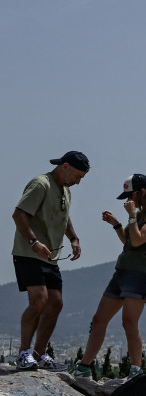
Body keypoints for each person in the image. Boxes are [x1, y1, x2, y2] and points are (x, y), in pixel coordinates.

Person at [76, 173, 146, 379]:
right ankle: (84, 366)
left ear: (142, 192)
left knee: (129, 322)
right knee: (99, 320)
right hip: (122, 271)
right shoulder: (141, 215)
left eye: (130, 195)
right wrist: (117, 224)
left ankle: (135, 370)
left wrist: (132, 215)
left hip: (140, 274)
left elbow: (137, 240)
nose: (128, 201)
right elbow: (129, 241)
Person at [11, 150, 88, 370]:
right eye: (77, 176)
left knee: (56, 303)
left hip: (50, 257)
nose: (78, 182)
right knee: (39, 300)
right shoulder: (41, 184)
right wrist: (34, 242)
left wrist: (73, 238)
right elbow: (19, 214)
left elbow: (64, 216)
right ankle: (24, 353)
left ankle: (39, 354)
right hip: (29, 253)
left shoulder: (65, 190)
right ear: (65, 167)